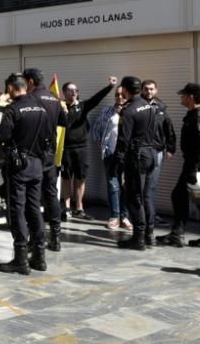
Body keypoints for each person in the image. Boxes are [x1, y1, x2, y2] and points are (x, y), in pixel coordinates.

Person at [0, 73, 55, 276]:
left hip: (19, 166)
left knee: (17, 210)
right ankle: (39, 256)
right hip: (38, 165)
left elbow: (2, 136)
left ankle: (20, 258)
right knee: (34, 208)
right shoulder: (41, 109)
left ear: (11, 87)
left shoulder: (13, 109)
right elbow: (49, 137)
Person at [159, 83, 200, 249]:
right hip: (192, 164)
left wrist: (194, 169)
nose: (181, 97)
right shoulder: (192, 115)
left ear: (191, 97)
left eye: (183, 95)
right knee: (179, 196)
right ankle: (177, 234)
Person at [21, 69, 66, 251]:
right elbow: (64, 121)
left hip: (34, 153)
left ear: (30, 81)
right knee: (51, 194)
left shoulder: (30, 99)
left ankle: (35, 238)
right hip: (50, 153)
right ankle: (56, 237)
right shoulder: (55, 99)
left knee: (32, 197)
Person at [60, 77, 116, 220]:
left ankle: (79, 208)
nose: (73, 92)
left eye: (76, 90)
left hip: (81, 149)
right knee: (66, 178)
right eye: (70, 90)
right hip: (65, 149)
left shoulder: (83, 106)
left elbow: (97, 98)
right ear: (64, 92)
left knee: (80, 179)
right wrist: (63, 113)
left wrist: (110, 86)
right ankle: (66, 208)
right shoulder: (60, 108)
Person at [114, 76, 159, 250]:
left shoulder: (130, 110)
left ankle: (138, 239)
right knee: (145, 196)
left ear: (125, 89)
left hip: (137, 157)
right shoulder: (150, 107)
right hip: (150, 154)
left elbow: (123, 139)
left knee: (134, 197)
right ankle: (148, 235)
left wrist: (118, 161)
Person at [91, 89, 132, 230]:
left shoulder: (133, 110)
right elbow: (96, 127)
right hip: (110, 154)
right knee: (113, 185)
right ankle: (115, 216)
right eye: (117, 94)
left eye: (123, 95)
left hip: (127, 155)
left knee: (126, 186)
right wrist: (101, 142)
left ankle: (125, 217)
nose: (120, 97)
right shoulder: (107, 111)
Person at [141, 80, 177, 228]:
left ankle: (152, 216)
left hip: (157, 151)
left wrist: (170, 148)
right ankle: (137, 216)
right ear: (142, 91)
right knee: (137, 185)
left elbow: (169, 129)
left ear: (156, 90)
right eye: (146, 89)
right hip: (140, 152)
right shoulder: (136, 106)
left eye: (151, 89)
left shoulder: (161, 108)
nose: (149, 92)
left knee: (151, 186)